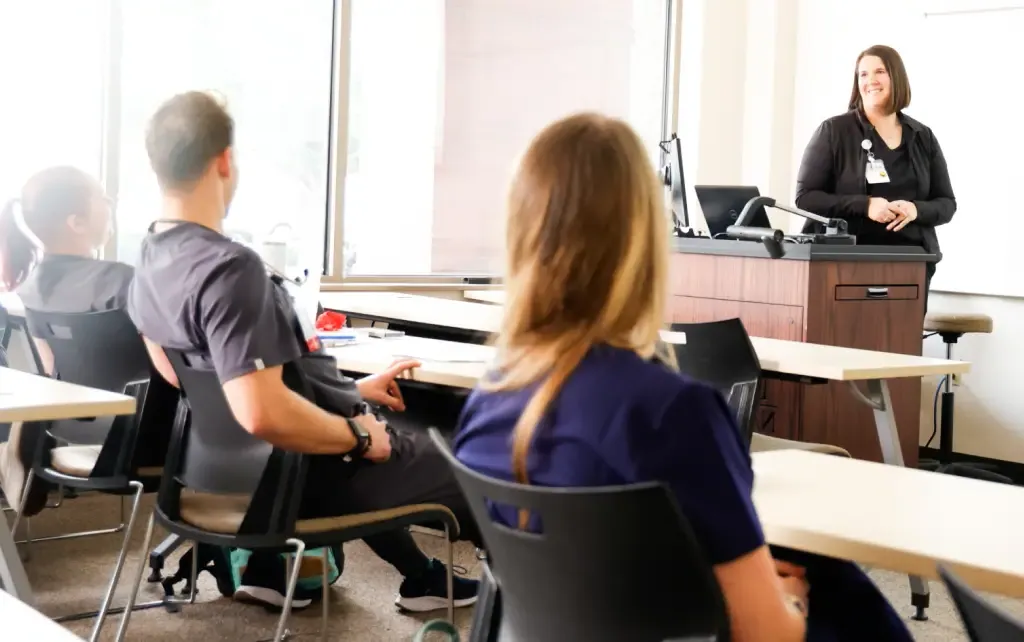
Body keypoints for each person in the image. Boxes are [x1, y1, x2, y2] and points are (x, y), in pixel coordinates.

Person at [453, 113, 914, 642]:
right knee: (835, 590)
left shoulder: (489, 398)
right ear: (643, 240)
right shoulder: (673, 411)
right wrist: (786, 601)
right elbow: (768, 635)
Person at [126, 90, 480, 613]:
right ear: (225, 160)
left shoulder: (150, 259)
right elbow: (260, 410)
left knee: (380, 429)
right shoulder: (231, 267)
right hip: (293, 478)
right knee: (478, 460)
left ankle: (418, 577)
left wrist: (348, 392)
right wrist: (358, 435)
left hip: (225, 476)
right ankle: (530, 608)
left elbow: (193, 381)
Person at [0, 167, 139, 515]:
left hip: (70, 426)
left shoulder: (31, 286)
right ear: (76, 222)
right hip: (138, 433)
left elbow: (52, 371)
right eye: (102, 197)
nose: (110, 204)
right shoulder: (121, 281)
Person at [795, 44, 955, 309]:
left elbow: (947, 203)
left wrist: (916, 210)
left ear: (897, 78)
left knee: (900, 345)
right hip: (847, 262)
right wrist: (865, 205)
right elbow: (806, 198)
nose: (871, 81)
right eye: (863, 75)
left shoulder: (922, 137)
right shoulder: (834, 131)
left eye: (879, 72)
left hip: (910, 263)